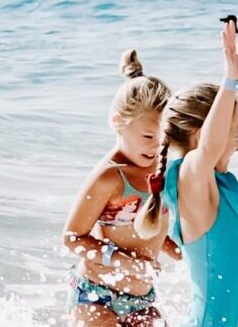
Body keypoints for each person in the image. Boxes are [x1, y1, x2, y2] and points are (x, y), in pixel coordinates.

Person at [134, 11, 238, 327]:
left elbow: (229, 110)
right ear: (204, 136)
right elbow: (211, 142)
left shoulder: (209, 183)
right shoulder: (190, 180)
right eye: (236, 136)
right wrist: (229, 78)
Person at [62, 49, 181, 327]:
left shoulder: (163, 169)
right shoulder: (110, 177)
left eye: (164, 137)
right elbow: (72, 237)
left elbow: (149, 228)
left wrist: (184, 253)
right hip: (96, 294)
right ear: (118, 123)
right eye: (148, 136)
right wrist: (125, 262)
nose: (155, 145)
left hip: (142, 298)